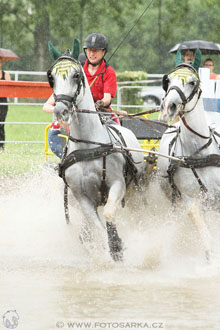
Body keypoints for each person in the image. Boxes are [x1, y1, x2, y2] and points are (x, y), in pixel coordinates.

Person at [83, 32, 126, 124]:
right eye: (89, 50)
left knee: (116, 132)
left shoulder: (109, 72)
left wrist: (98, 104)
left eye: (96, 51)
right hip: (80, 111)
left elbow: (107, 99)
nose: (92, 54)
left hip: (102, 112)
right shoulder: (79, 70)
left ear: (103, 52)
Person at [0, 57, 11, 151]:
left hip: (3, 102)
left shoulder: (6, 74)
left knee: (1, 124)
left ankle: (2, 146)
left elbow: (9, 89)